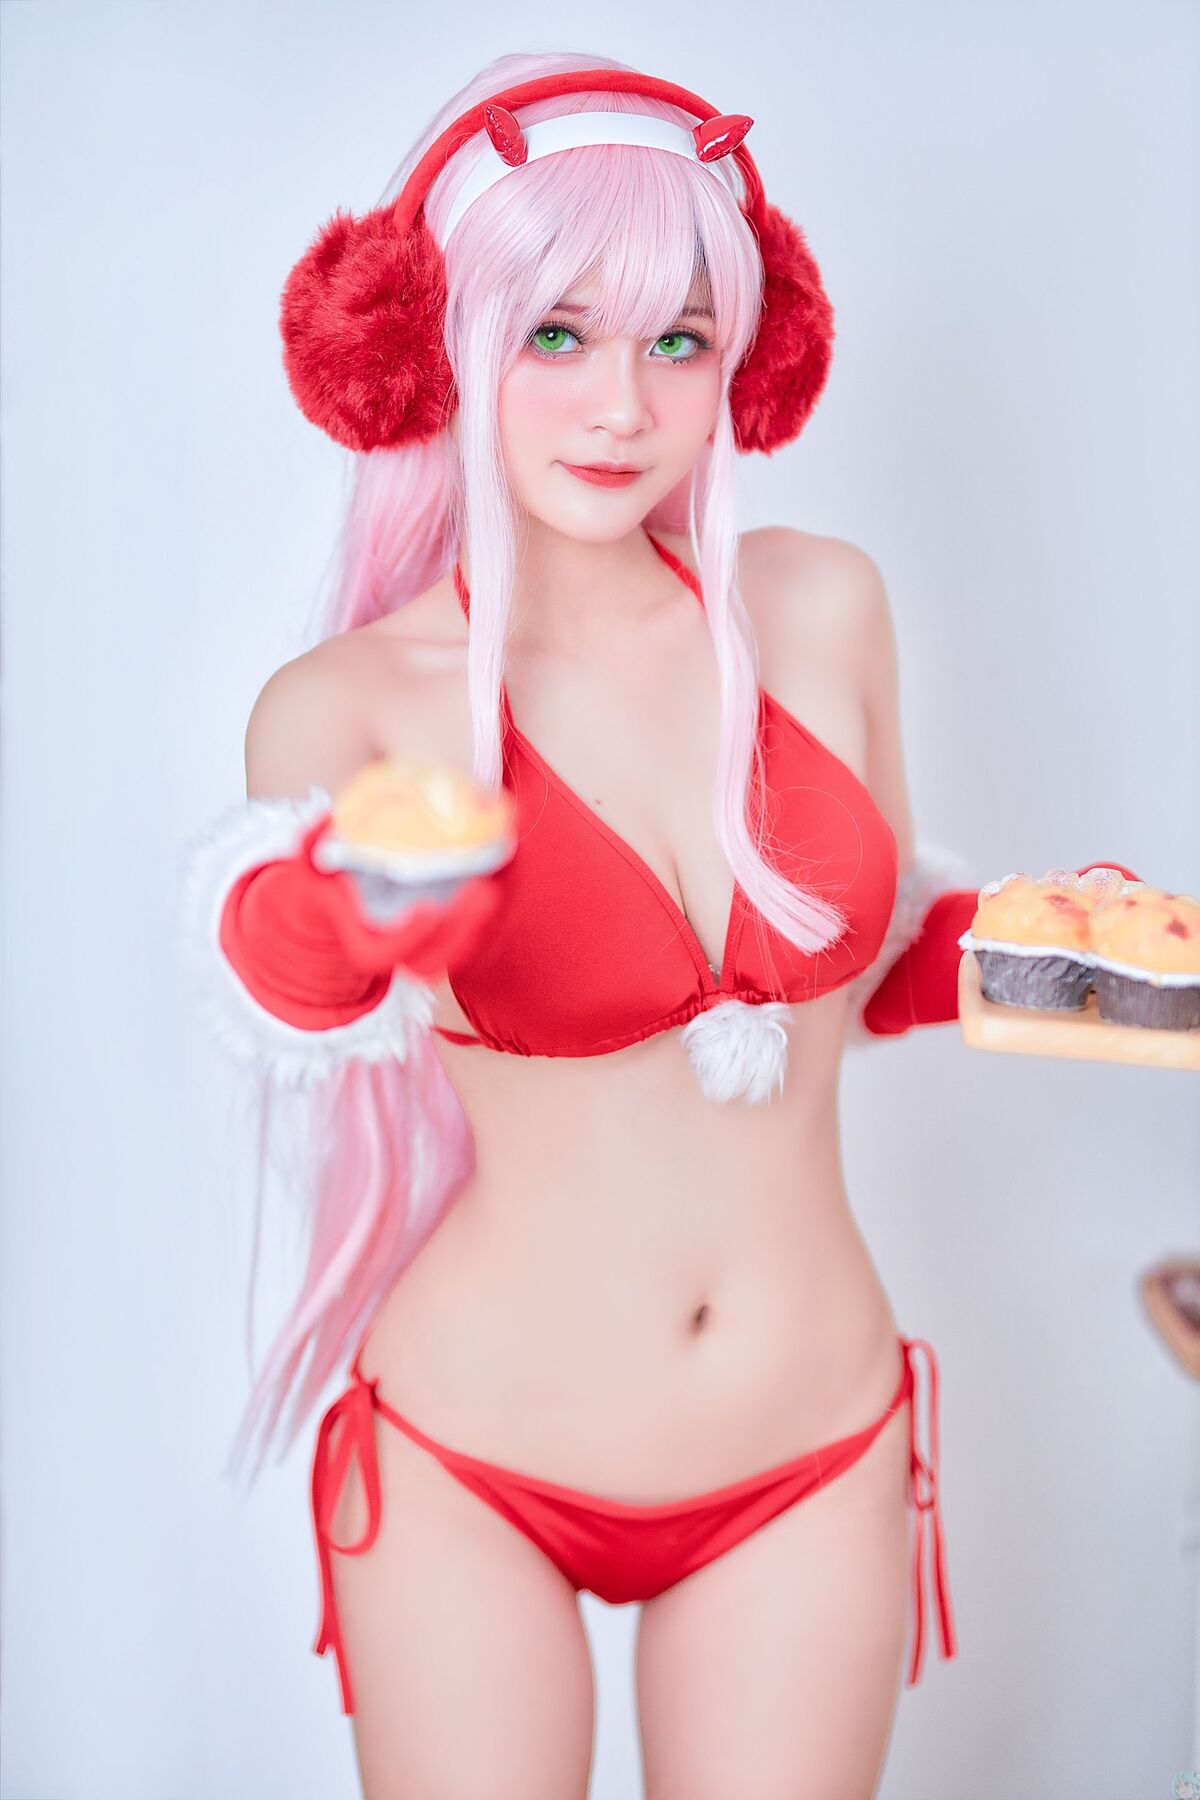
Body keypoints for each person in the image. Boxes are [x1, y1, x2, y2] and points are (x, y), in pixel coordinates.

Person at [180, 47, 1114, 1800]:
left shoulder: (822, 608)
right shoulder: (352, 709)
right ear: (435, 347)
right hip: (475, 1462)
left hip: (809, 1443)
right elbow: (288, 980)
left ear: (746, 359)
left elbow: (870, 965)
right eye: (556, 335)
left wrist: (1095, 962)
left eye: (679, 342)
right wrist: (348, 905)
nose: (623, 405)